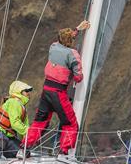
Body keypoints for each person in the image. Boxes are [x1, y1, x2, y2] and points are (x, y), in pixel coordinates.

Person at [28, 20, 90, 155]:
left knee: (40, 121)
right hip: (58, 92)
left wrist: (77, 29)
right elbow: (78, 77)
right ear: (70, 40)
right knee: (71, 124)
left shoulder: (53, 46)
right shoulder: (73, 54)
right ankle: (64, 152)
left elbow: (64, 38)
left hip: (46, 90)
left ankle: (25, 146)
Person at [0, 80, 34, 164]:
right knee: (1, 141)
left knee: (24, 152)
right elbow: (15, 123)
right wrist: (29, 131)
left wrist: (28, 139)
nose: (28, 93)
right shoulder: (13, 102)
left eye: (29, 91)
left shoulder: (22, 107)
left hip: (8, 136)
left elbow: (24, 126)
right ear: (19, 91)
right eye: (26, 91)